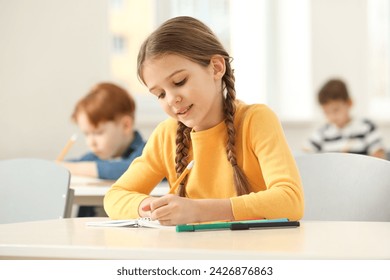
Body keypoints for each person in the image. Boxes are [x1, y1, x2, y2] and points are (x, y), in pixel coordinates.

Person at [104, 16, 304, 225]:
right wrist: (152, 209)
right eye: (160, 94)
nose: (172, 99)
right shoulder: (166, 135)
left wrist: (198, 211)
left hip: (253, 252)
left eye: (179, 82)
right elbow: (115, 197)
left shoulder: (256, 120)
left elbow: (290, 201)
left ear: (216, 67)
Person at [60, 82, 146, 216]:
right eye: (86, 134)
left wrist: (76, 168)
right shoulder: (94, 157)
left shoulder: (148, 152)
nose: (91, 142)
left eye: (98, 133)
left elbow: (133, 169)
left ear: (125, 125)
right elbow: (68, 165)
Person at [304, 78, 386, 159]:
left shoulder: (367, 127)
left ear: (349, 103)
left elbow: (378, 157)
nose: (332, 117)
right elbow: (305, 155)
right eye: (326, 112)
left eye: (336, 110)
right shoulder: (321, 134)